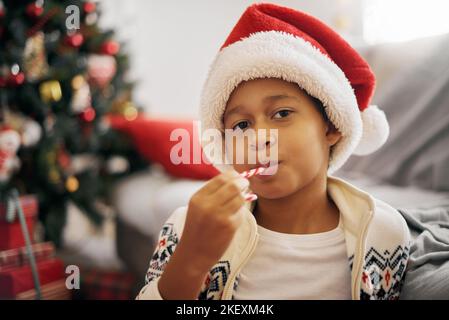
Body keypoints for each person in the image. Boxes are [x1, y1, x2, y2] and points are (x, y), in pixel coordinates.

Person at [136, 3, 411, 300]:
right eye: (241, 125)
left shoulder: (384, 233)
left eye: (281, 114)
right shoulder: (187, 226)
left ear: (332, 126)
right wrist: (191, 260)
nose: (258, 138)